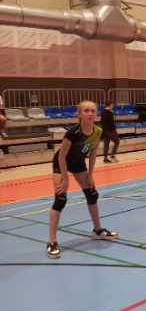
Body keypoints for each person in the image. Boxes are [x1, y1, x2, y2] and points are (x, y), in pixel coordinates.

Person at [47, 100, 118, 259]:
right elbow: (62, 156)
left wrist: (90, 174)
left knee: (92, 194)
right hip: (61, 164)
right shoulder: (72, 133)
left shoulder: (98, 131)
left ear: (96, 114)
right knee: (60, 200)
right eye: (86, 111)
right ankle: (52, 242)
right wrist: (65, 178)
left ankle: (97, 230)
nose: (90, 113)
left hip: (79, 163)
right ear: (79, 114)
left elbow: (92, 153)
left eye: (93, 111)